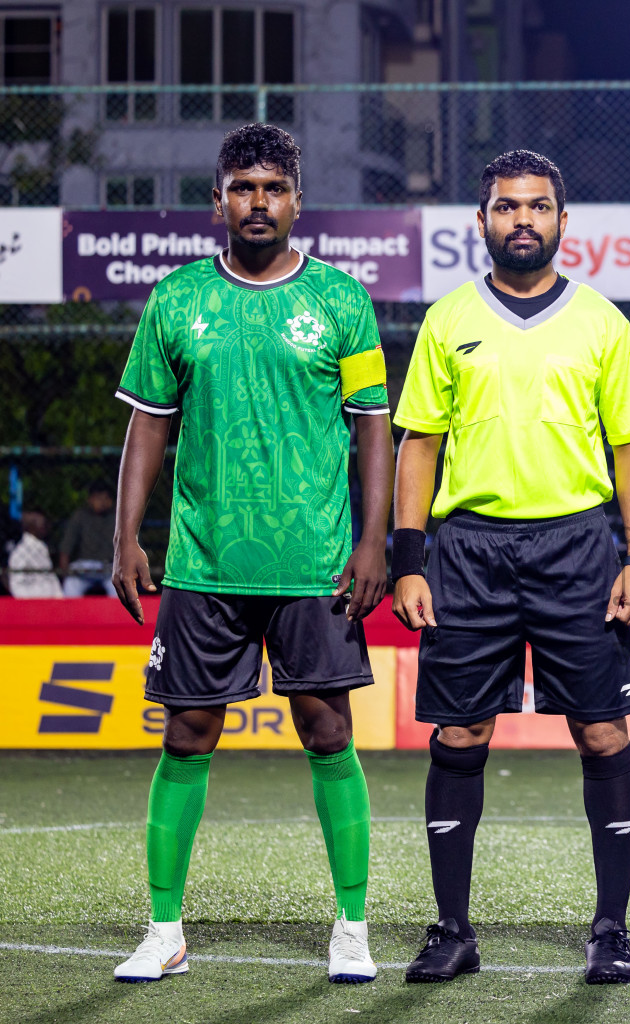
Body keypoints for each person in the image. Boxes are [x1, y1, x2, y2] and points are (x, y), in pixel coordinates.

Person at [109, 124, 392, 985]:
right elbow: (148, 423)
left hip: (314, 562)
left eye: (272, 187)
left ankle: (352, 924)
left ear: (297, 200)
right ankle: (164, 928)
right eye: (242, 187)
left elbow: (374, 426)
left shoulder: (343, 300)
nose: (257, 202)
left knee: (327, 729)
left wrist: (375, 540)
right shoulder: (176, 297)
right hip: (204, 561)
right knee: (187, 734)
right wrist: (127, 534)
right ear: (218, 201)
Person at [391, 149, 630, 986]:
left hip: (578, 547)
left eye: (538, 207)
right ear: (482, 220)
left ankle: (610, 929)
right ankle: (452, 929)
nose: (523, 221)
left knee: (602, 731)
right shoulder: (448, 320)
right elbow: (419, 445)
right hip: (468, 550)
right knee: (460, 733)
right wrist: (409, 559)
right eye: (507, 207)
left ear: (562, 222)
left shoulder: (602, 322)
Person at [58, 481, 115, 596]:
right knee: (71, 585)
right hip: (84, 568)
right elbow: (65, 549)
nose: (102, 502)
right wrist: (65, 575)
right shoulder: (80, 517)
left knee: (120, 590)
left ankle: (120, 614)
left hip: (110, 568)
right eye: (98, 498)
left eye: (106, 498)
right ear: (90, 500)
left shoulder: (118, 518)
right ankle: (69, 614)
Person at [8, 510, 63, 598]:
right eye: (42, 524)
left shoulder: (41, 548)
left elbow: (51, 578)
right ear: (31, 527)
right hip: (33, 601)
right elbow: (17, 584)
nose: (45, 527)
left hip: (51, 602)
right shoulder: (21, 552)